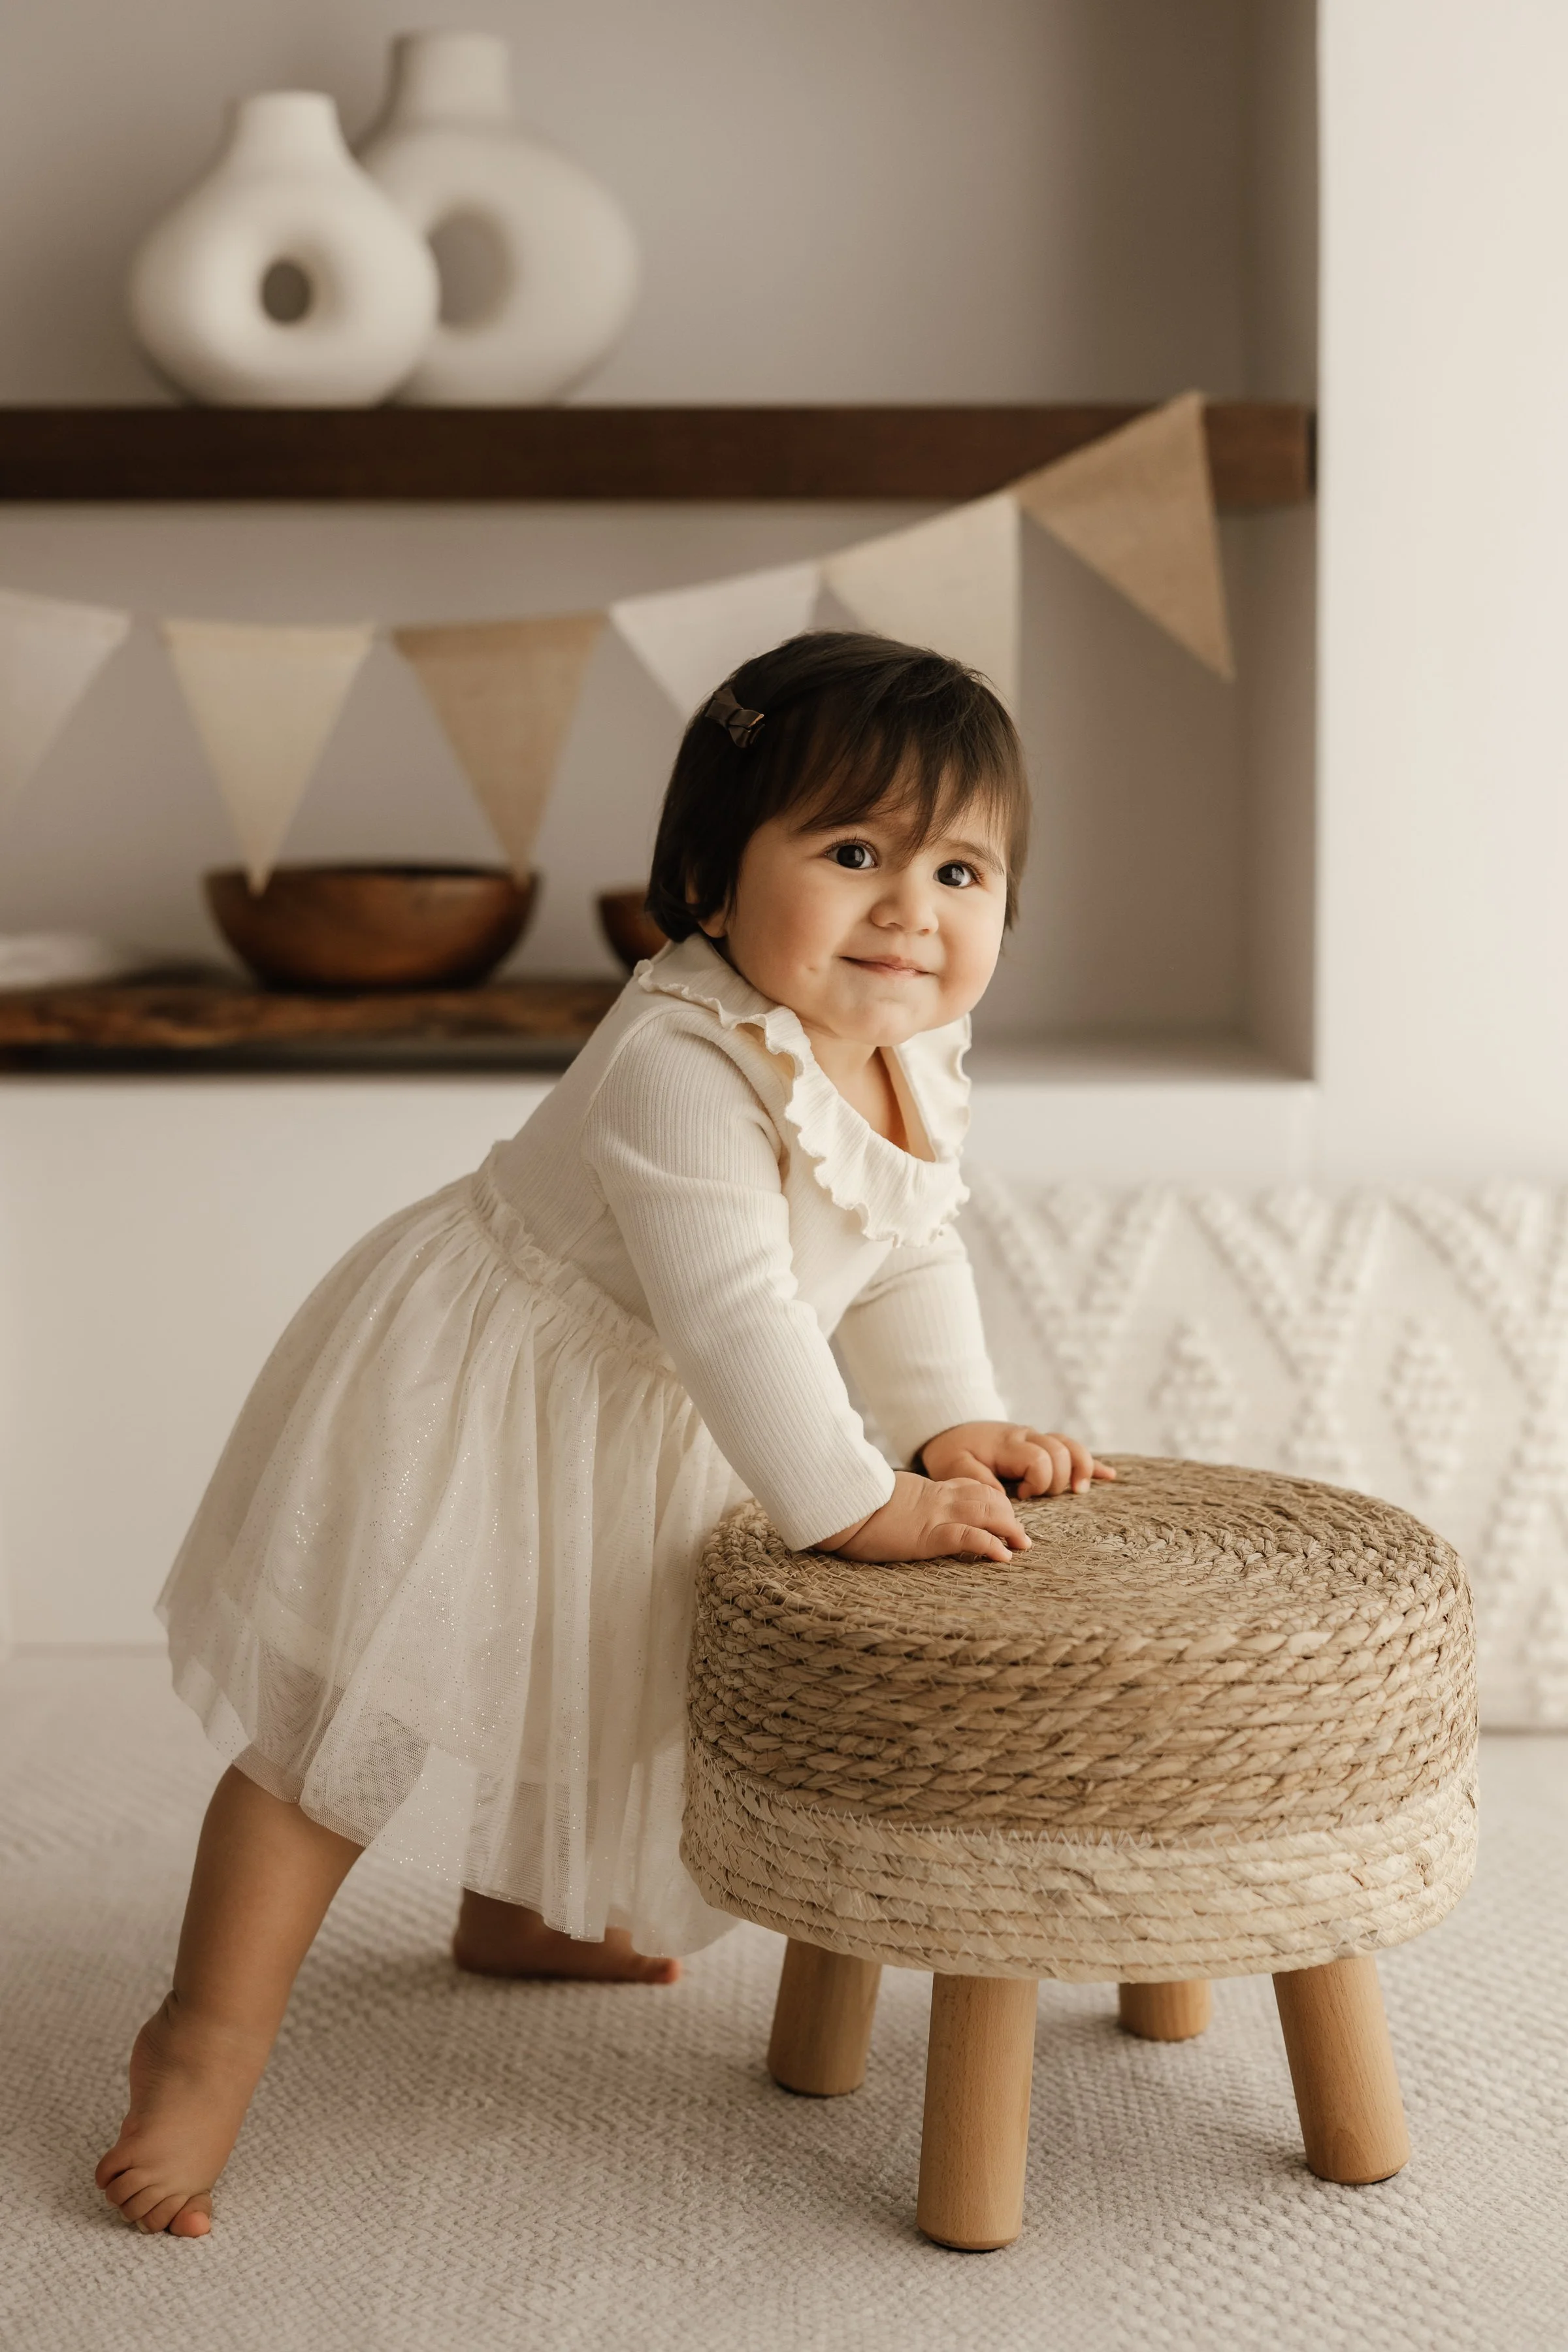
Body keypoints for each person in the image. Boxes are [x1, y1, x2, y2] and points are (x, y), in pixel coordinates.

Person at [95, 629, 1112, 2236]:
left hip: (662, 1412)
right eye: (853, 853)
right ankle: (202, 2038)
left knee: (601, 1669)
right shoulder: (681, 1058)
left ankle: (522, 1914)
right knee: (343, 1725)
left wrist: (953, 1421)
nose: (912, 911)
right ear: (709, 876)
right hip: (497, 1380)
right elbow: (735, 1312)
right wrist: (856, 1503)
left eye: (963, 870)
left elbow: (906, 1239)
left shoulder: (911, 1039)